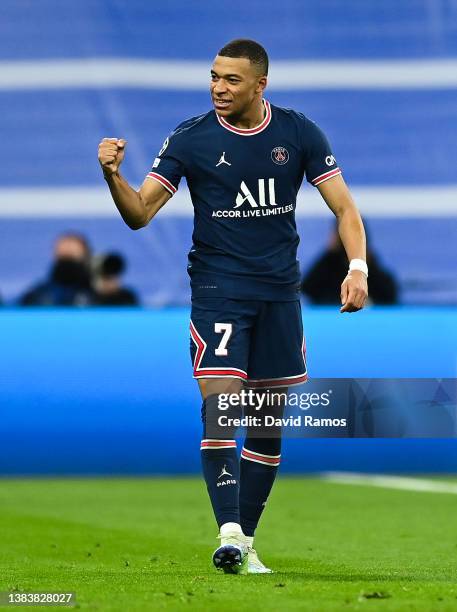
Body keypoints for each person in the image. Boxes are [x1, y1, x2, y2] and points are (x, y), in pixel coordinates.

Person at [98, 39, 368, 574]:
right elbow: (140, 214)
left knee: (266, 422)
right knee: (222, 404)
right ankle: (227, 531)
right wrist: (112, 176)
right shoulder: (192, 137)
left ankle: (245, 544)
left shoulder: (298, 133)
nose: (219, 87)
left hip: (279, 295)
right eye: (215, 77)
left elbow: (345, 208)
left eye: (232, 80)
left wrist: (356, 268)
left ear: (260, 84)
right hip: (219, 290)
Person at [302, 220, 398, 304]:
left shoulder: (370, 266)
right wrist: (329, 252)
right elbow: (307, 287)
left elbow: (390, 294)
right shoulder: (329, 264)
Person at [19, 233, 94, 306]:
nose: (67, 265)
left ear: (86, 256)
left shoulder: (96, 293)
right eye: (63, 256)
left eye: (71, 256)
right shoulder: (38, 295)